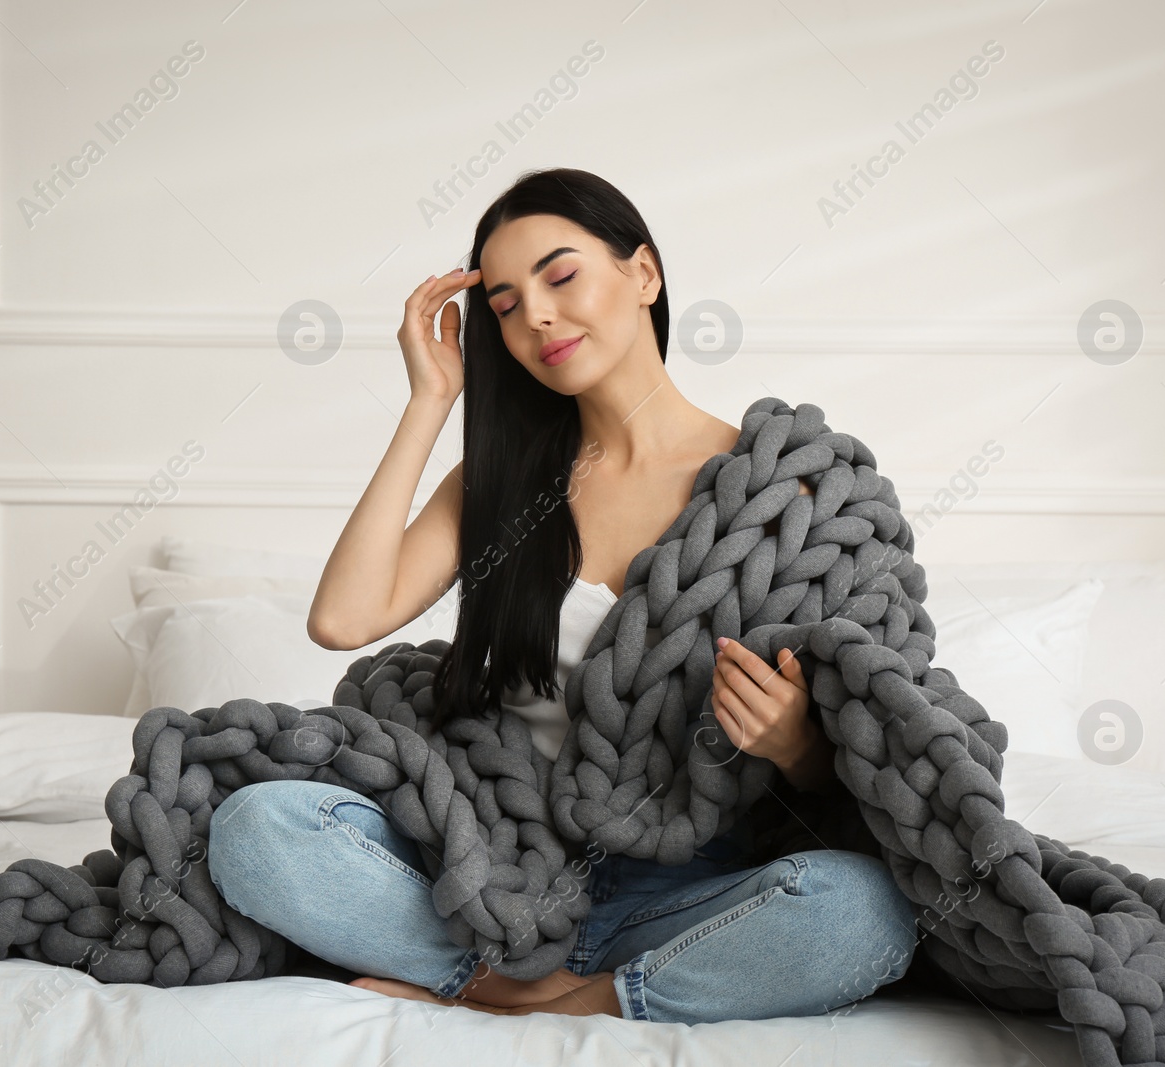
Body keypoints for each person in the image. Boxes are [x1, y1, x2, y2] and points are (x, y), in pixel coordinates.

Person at [206, 167, 919, 1024]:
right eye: (504, 304)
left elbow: (878, 738)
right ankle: (519, 988)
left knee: (864, 908)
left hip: (692, 894)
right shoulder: (505, 485)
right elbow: (343, 619)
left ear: (643, 274)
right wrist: (431, 400)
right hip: (494, 876)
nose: (536, 313)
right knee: (258, 827)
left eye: (560, 274)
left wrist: (796, 742)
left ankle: (563, 1001)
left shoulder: (799, 498)